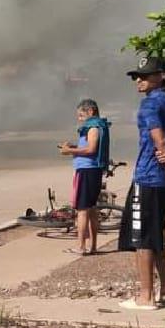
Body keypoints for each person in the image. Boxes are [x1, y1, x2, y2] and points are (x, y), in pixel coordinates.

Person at [118, 56, 165, 311]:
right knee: (155, 235)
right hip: (161, 183)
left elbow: (161, 143)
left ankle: (145, 297)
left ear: (161, 75)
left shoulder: (149, 106)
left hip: (148, 179)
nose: (139, 80)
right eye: (137, 76)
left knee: (143, 240)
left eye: (145, 75)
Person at [58, 99, 110, 256]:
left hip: (87, 170)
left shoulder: (93, 127)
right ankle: (93, 246)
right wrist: (74, 146)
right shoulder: (96, 126)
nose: (80, 119)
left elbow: (91, 149)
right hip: (91, 170)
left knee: (82, 210)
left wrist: (70, 151)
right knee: (92, 209)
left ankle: (81, 246)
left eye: (81, 115)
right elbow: (88, 147)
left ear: (91, 112)